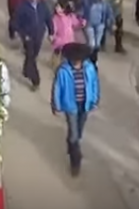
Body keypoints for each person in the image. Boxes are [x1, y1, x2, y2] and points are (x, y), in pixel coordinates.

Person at [51, 43, 99, 177]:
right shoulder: (63, 70)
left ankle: (72, 145)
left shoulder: (90, 68)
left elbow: (94, 84)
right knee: (74, 134)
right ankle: (75, 162)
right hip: (70, 106)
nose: (76, 61)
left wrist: (95, 100)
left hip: (85, 104)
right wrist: (56, 105)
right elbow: (57, 88)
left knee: (78, 131)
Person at [13, 0, 53, 92]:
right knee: (31, 57)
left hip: (39, 35)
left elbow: (48, 19)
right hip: (28, 37)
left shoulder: (42, 5)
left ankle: (26, 70)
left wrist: (51, 32)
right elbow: (16, 22)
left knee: (33, 56)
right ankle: (36, 80)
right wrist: (23, 35)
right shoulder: (22, 6)